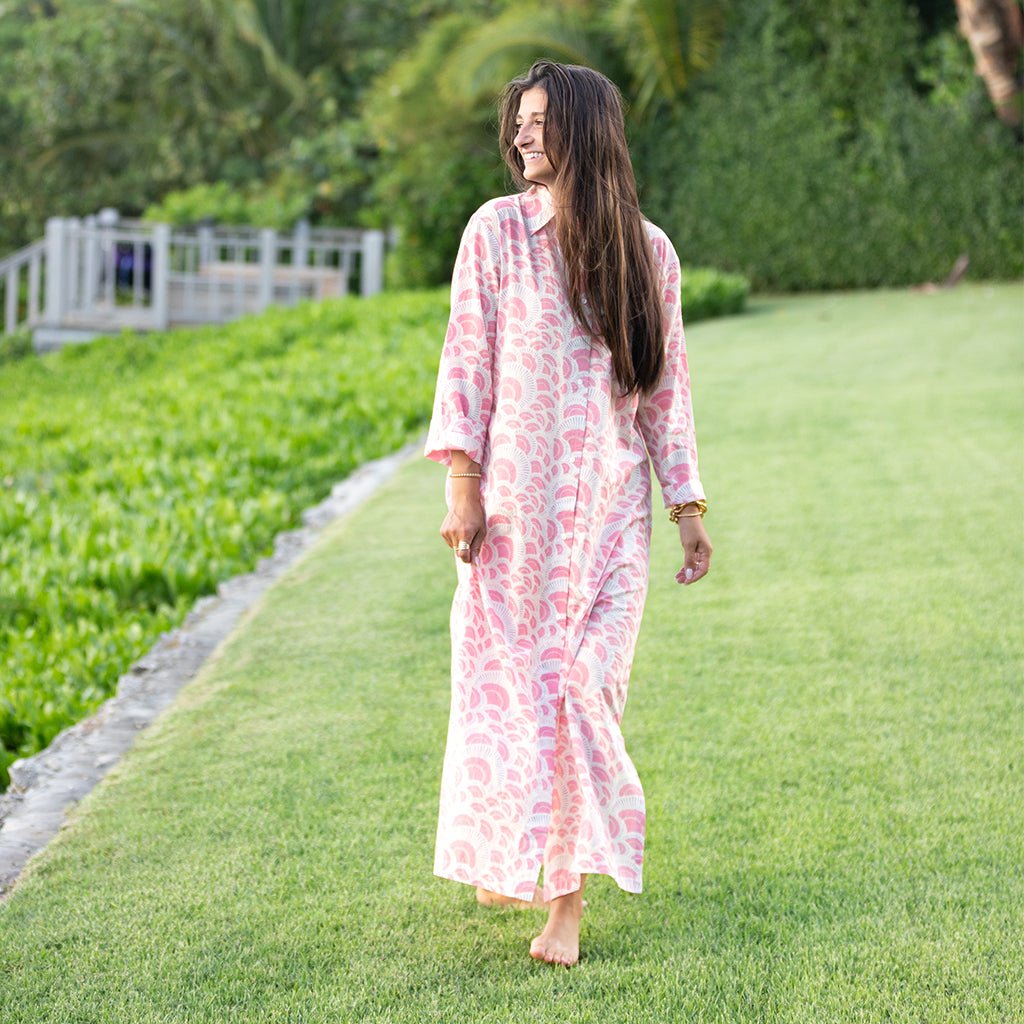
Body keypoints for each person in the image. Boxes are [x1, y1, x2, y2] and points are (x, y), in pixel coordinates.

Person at [424, 59, 712, 968]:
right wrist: (462, 486)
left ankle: (567, 903)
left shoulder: (649, 252)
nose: (520, 135)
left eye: (539, 120)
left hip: (610, 528)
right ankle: (528, 867)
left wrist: (688, 506)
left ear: (583, 129)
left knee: (582, 693)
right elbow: (467, 362)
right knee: (513, 703)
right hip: (514, 523)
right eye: (517, 120)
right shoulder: (497, 234)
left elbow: (664, 394)